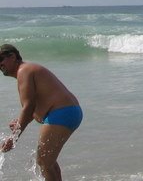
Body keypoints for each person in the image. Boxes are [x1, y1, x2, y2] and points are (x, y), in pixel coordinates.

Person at [0, 44, 82, 181]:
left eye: (1, 59)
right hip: (69, 112)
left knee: (43, 161)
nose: (0, 64)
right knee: (49, 161)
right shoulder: (26, 71)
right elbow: (32, 109)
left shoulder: (24, 71)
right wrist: (19, 122)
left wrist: (14, 137)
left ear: (13, 56)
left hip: (61, 113)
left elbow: (28, 107)